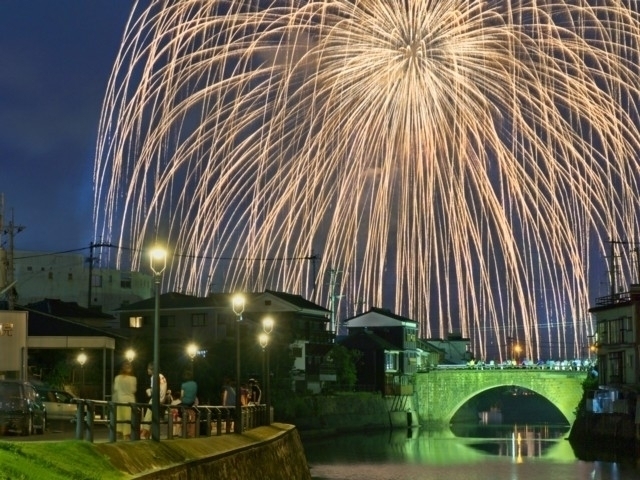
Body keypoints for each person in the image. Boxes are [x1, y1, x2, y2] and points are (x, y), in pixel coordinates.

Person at [141, 362, 167, 439]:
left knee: (147, 418)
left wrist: (148, 391)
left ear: (152, 369)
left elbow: (153, 390)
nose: (147, 370)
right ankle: (149, 436)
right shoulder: (162, 376)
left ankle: (143, 434)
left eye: (148, 368)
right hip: (162, 400)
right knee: (154, 419)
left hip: (155, 400)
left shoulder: (154, 377)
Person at [112, 361, 137, 440]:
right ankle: (126, 435)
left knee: (120, 417)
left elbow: (115, 388)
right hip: (130, 400)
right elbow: (133, 390)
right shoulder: (133, 379)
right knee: (128, 418)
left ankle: (118, 433)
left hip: (120, 400)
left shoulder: (117, 378)